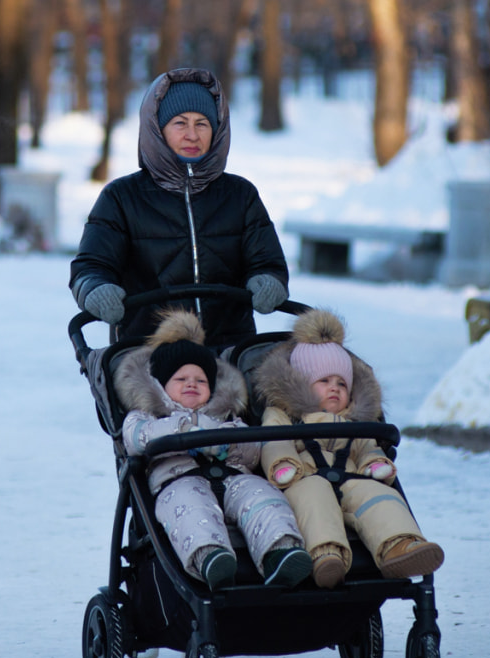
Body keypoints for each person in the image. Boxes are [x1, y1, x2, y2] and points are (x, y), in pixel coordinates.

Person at [69, 67, 289, 347]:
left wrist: (268, 281)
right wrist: (96, 289)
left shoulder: (240, 195)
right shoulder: (121, 197)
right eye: (180, 123)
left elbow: (268, 262)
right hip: (149, 353)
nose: (192, 135)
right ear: (157, 129)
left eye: (202, 124)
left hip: (229, 350)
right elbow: (90, 266)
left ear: (216, 129)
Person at [116, 308, 312, 590]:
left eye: (201, 380)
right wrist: (184, 430)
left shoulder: (227, 418)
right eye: (181, 380)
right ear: (160, 386)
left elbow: (252, 453)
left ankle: (280, 552)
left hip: (233, 477)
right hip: (179, 481)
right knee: (190, 509)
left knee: (263, 498)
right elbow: (136, 438)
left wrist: (225, 439)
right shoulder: (148, 415)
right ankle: (210, 557)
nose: (192, 385)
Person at [254, 308, 444, 588]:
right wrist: (282, 464)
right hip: (304, 478)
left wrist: (374, 464)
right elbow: (274, 440)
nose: (335, 388)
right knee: (314, 502)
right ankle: (326, 555)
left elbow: (367, 446)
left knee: (380, 497)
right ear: (301, 384)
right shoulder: (284, 414)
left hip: (353, 477)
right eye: (324, 381)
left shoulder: (353, 419)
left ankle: (400, 546)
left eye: (341, 383)